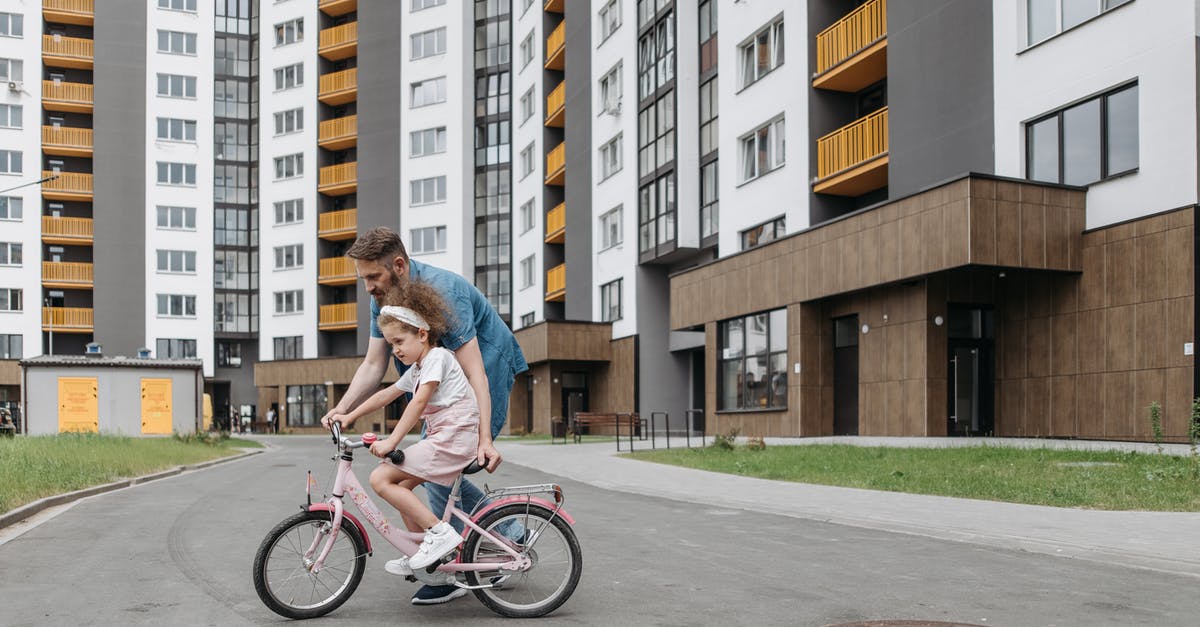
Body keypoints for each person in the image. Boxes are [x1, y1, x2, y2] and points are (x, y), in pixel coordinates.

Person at [321, 226, 528, 606]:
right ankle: (490, 537)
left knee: (443, 467)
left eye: (372, 276)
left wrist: (484, 438)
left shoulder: (445, 292)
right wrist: (344, 408)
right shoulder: (382, 298)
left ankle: (464, 557)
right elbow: (373, 364)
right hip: (433, 382)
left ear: (398, 265)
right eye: (363, 278)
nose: (367, 287)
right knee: (435, 471)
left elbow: (476, 373)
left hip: (485, 367)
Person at [325, 284, 478, 573]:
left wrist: (392, 442)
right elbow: (387, 394)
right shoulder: (419, 368)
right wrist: (348, 414)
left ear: (422, 334)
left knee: (381, 478)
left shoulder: (438, 358)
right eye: (391, 344)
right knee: (401, 487)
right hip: (446, 438)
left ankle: (439, 533)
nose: (395, 350)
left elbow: (418, 402)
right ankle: (423, 552)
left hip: (453, 439)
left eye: (399, 341)